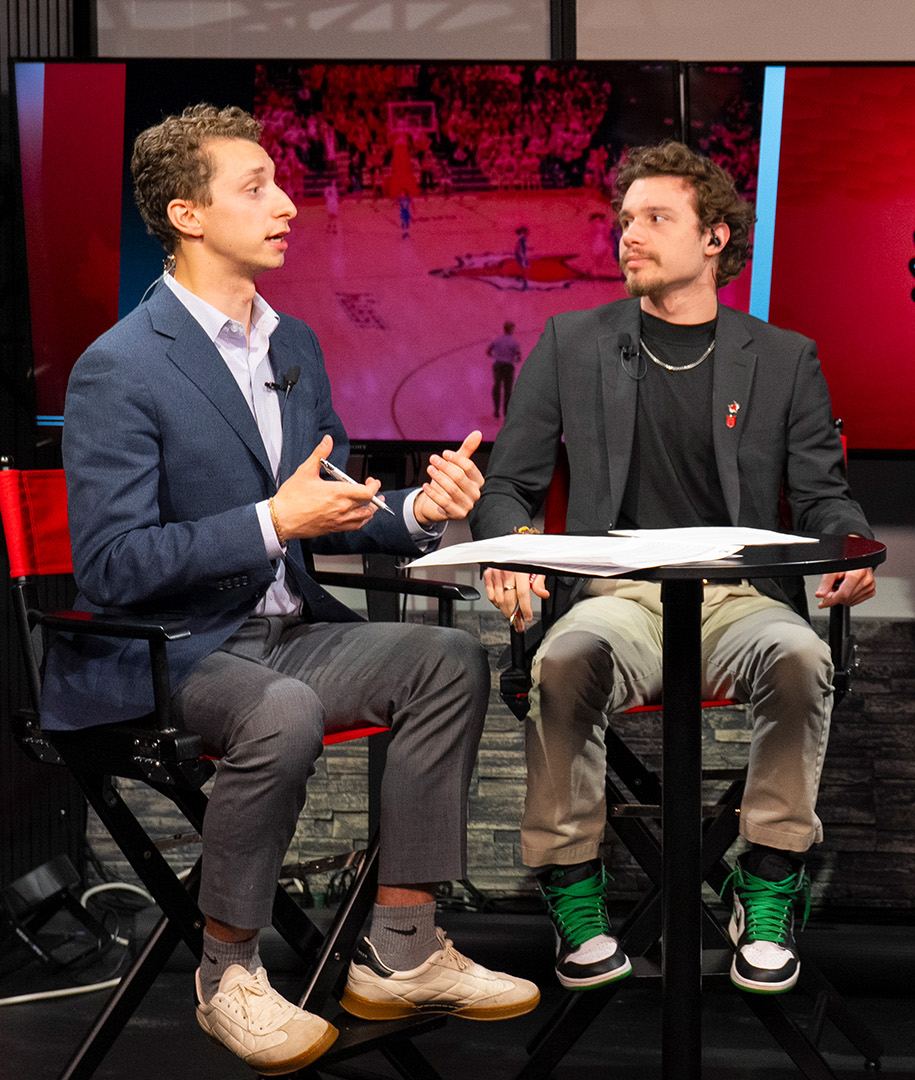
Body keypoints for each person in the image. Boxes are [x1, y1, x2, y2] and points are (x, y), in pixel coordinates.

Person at [44, 105, 539, 1076]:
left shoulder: (293, 343)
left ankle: (402, 948)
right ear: (187, 215)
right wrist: (271, 521)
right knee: (282, 708)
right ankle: (227, 972)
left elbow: (331, 500)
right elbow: (111, 567)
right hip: (172, 650)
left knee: (447, 658)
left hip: (285, 632)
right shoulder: (121, 367)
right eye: (257, 187)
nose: (288, 205)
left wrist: (420, 510)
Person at [473, 141, 876, 996]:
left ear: (715, 238)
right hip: (617, 596)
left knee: (802, 657)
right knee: (563, 662)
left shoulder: (783, 356)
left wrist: (853, 549)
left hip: (737, 597)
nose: (631, 235)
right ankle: (573, 888)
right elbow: (508, 485)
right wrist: (510, 549)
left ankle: (767, 876)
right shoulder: (572, 342)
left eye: (656, 219)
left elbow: (822, 496)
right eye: (626, 220)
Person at [488, 320, 522, 419]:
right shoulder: (514, 342)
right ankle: (506, 412)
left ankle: (496, 410)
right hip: (508, 366)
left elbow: (488, 351)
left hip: (498, 365)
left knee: (497, 387)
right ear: (511, 330)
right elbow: (518, 356)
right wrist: (513, 359)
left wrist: (496, 356)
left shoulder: (498, 340)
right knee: (508, 390)